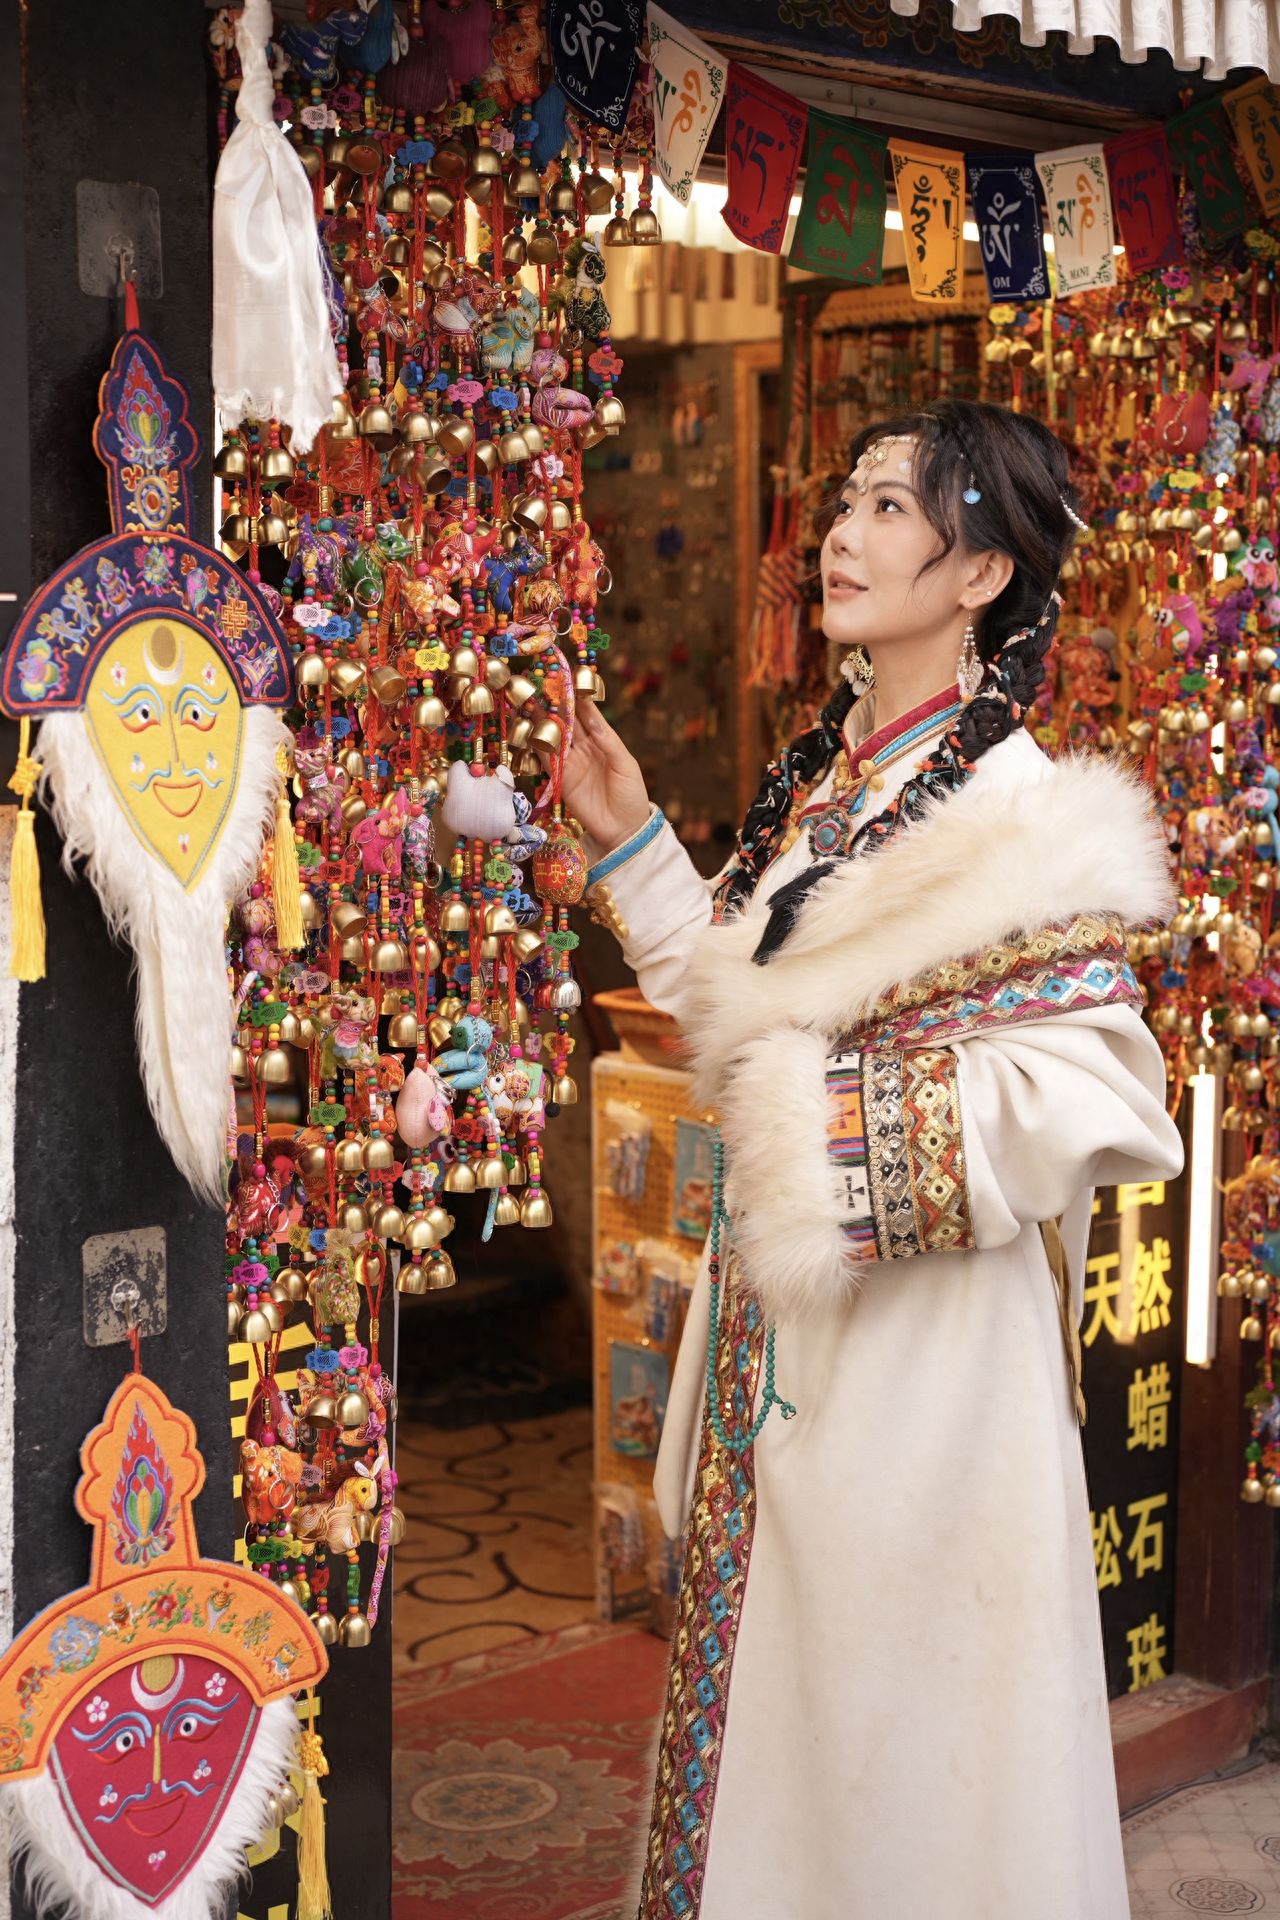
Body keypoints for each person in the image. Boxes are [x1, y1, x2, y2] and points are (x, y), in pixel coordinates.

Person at [563, 399, 1184, 1920]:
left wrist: (813, 1129)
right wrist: (638, 842)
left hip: (928, 1383)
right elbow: (745, 1019)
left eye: (894, 511)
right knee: (794, 1732)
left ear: (982, 575)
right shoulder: (835, 787)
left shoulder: (1026, 812)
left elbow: (1098, 1090)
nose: (842, 535)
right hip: (792, 1354)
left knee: (919, 1757)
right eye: (845, 504)